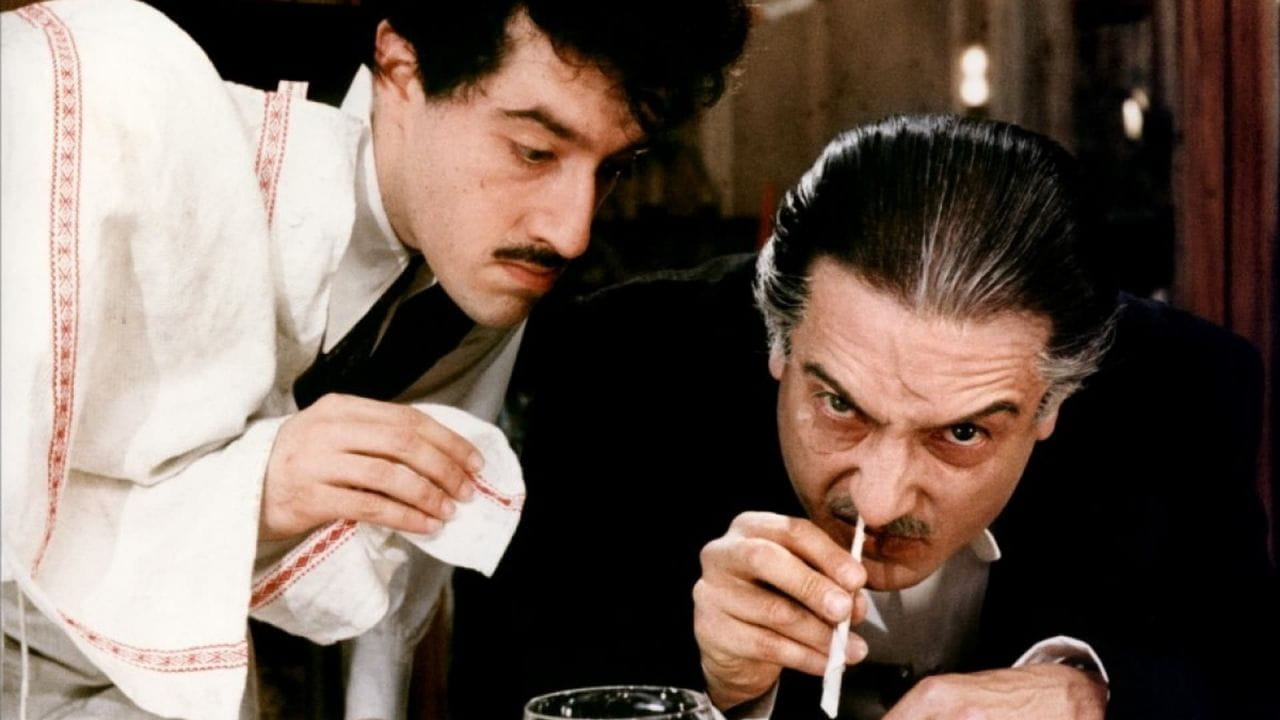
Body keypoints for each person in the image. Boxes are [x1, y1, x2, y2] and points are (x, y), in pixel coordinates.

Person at [0, 0, 748, 717]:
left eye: (613, 168)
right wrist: (255, 488)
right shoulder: (111, 108)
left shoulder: (477, 278)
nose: (572, 231)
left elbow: (396, 602)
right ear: (400, 68)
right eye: (533, 151)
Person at [448, 115, 1278, 719]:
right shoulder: (619, 374)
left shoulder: (1181, 395)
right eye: (839, 404)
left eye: (962, 433)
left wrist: (1091, 695)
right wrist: (714, 693)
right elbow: (510, 695)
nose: (877, 501)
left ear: (1054, 401)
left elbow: (1246, 678)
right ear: (777, 341)